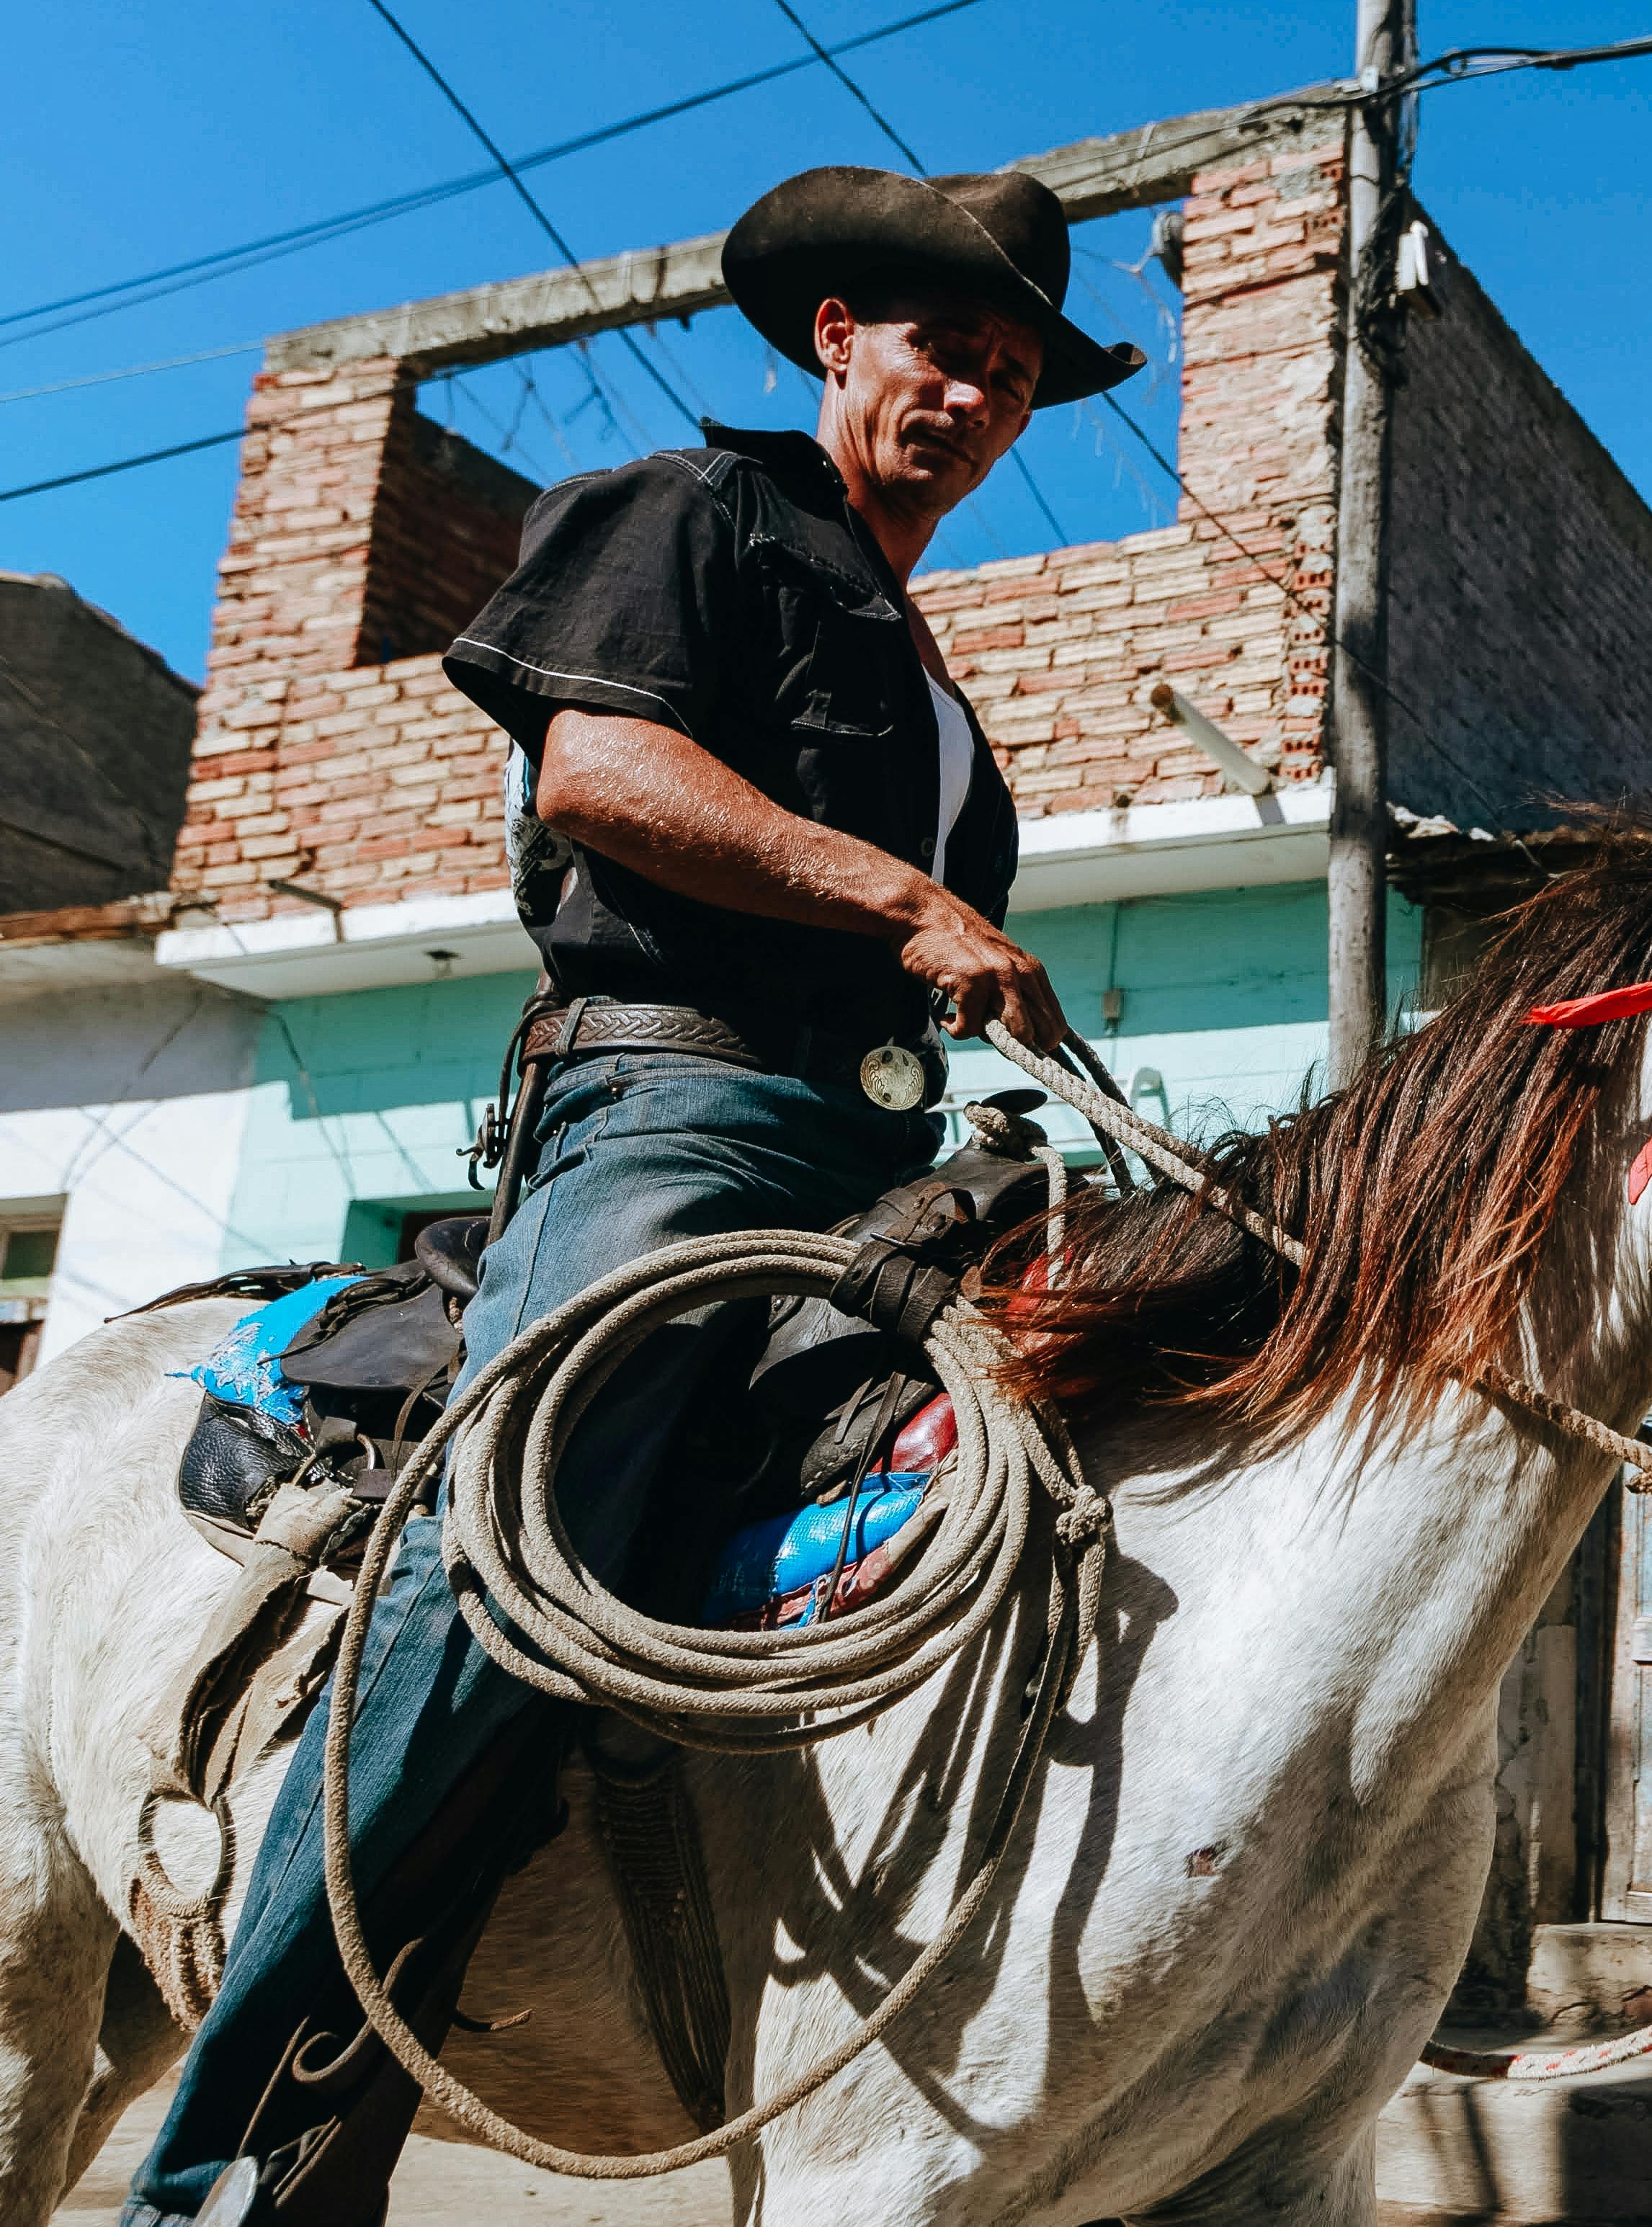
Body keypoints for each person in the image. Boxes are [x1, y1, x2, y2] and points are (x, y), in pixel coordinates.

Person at [125, 164, 1141, 2227]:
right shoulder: (695, 512)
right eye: (944, 347)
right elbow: (601, 776)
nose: (972, 394)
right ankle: (235, 2171)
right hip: (677, 1122)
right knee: (522, 1551)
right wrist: (904, 894)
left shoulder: (932, 677)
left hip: (878, 1161)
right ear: (837, 334)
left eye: (1015, 374)